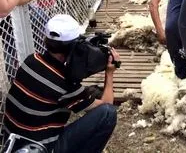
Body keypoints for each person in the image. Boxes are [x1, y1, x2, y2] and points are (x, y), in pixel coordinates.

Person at [2, 14, 119, 153]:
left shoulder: (31, 60)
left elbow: (50, 83)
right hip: (43, 148)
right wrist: (109, 73)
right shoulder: (64, 84)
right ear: (75, 46)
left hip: (13, 141)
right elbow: (107, 103)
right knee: (108, 113)